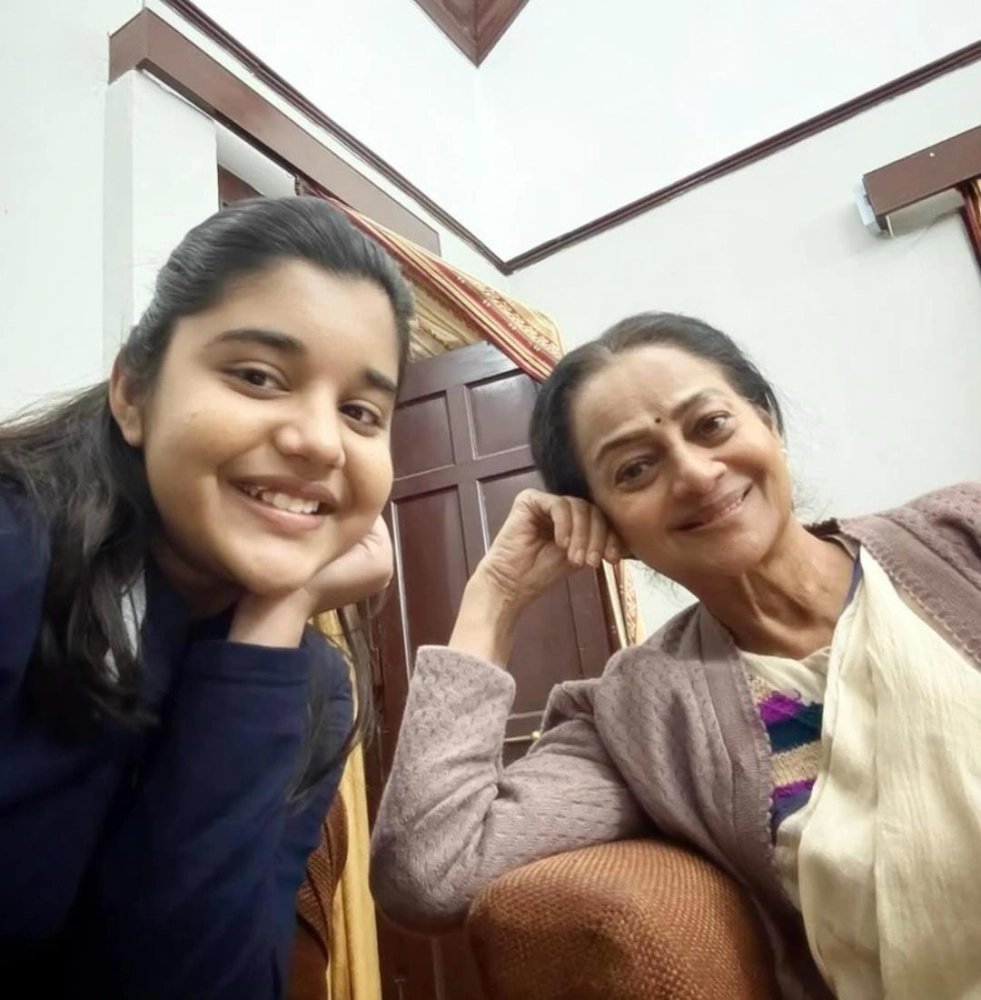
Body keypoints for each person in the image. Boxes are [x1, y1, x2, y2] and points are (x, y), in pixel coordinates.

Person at [369, 312, 981, 999]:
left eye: (711, 425)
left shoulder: (960, 536)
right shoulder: (640, 717)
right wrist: (495, 597)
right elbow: (428, 873)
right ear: (606, 525)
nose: (694, 473)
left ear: (766, 422)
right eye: (635, 469)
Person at [0, 196, 411, 998]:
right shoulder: (17, 551)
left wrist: (275, 617)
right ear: (132, 393)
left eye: (360, 412)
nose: (319, 441)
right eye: (257, 377)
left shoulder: (307, 686)